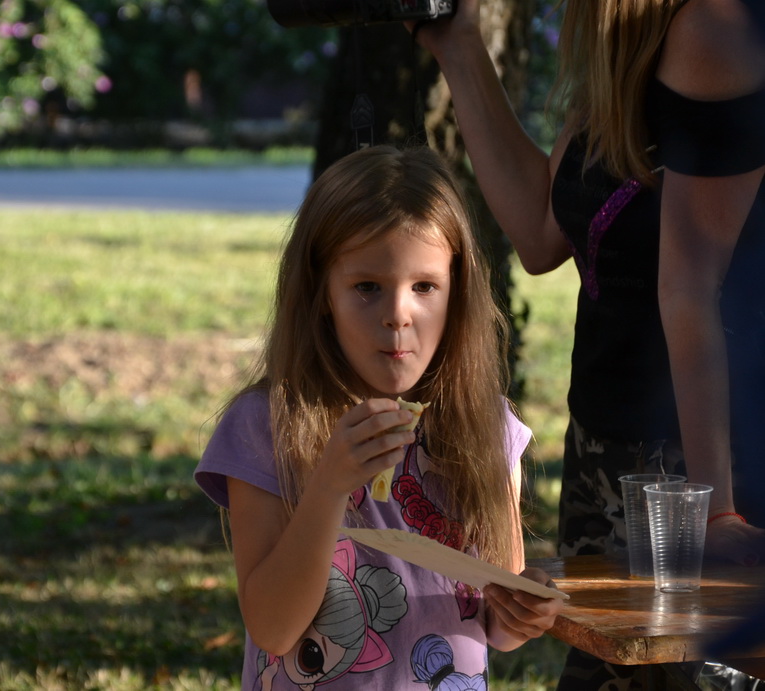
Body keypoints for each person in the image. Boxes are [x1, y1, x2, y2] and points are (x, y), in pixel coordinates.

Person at [411, 0, 765, 687]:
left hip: (701, 468)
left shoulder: (709, 28)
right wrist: (457, 45)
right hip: (610, 457)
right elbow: (541, 230)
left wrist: (716, 509)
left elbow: (691, 287)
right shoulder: (623, 37)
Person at [195, 145, 562, 690]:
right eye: (367, 287)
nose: (397, 314)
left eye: (424, 287)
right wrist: (329, 485)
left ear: (457, 292)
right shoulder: (268, 425)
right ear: (322, 292)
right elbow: (273, 628)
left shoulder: (485, 427)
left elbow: (495, 621)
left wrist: (523, 614)